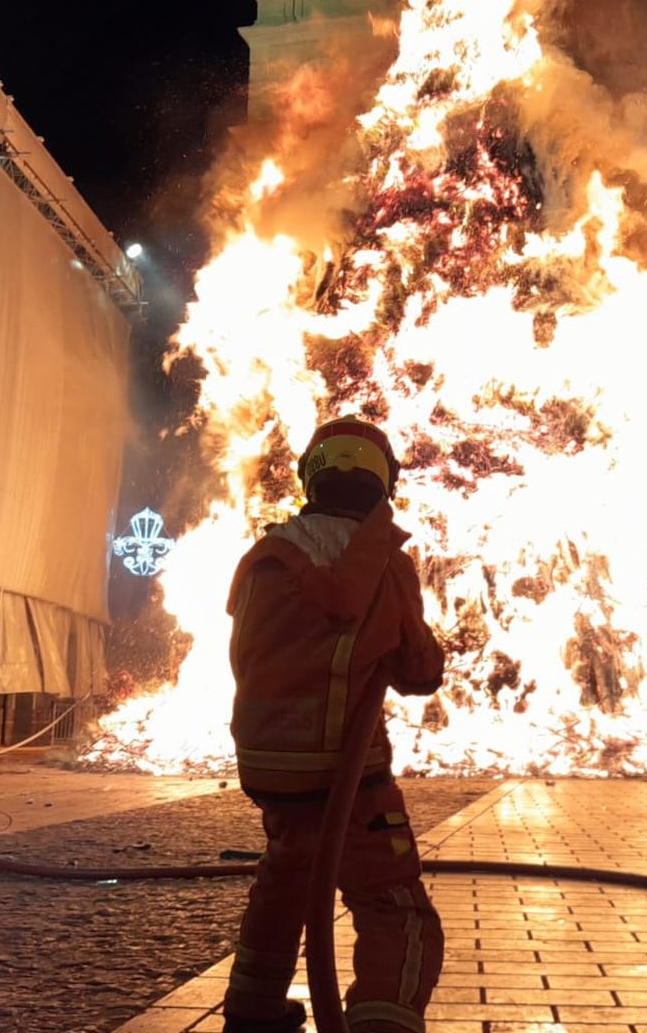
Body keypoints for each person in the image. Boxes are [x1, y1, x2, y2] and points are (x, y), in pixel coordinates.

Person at [222, 416, 446, 1033]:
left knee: (286, 879)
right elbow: (418, 671)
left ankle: (251, 1013)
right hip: (349, 775)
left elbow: (250, 654)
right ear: (384, 486)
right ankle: (383, 1023)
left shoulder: (264, 558)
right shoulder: (381, 564)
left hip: (270, 768)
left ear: (309, 482)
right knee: (392, 903)